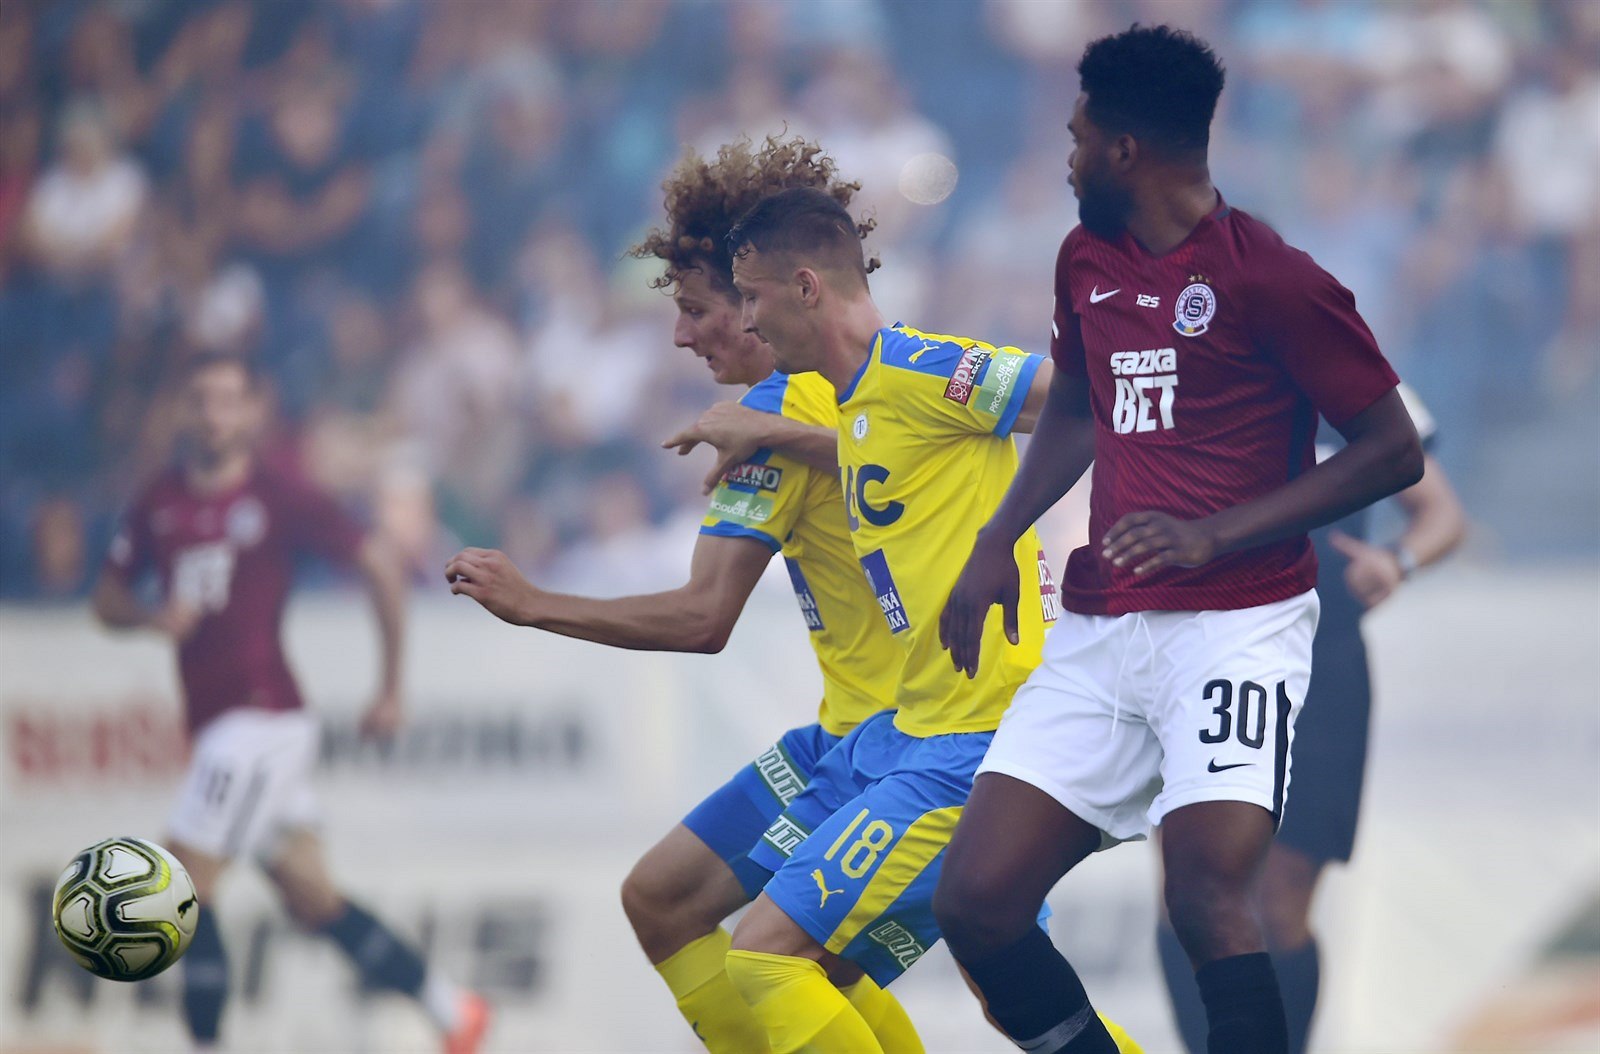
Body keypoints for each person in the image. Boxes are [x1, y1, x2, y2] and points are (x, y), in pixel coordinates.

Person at [930, 24, 1425, 1054]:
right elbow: (1077, 406)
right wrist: (996, 537)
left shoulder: (1273, 278)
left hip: (1239, 626)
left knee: (1206, 893)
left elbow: (1391, 452)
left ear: (1124, 150)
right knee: (975, 901)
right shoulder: (1084, 260)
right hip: (1102, 627)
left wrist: (1214, 535)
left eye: (1077, 139)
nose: (1067, 158)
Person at [442, 136, 925, 1054]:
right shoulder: (846, 390)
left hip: (910, 745)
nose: (680, 335)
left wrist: (535, 602)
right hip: (854, 733)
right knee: (666, 900)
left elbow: (704, 617)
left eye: (697, 308)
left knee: (806, 961)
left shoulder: (777, 415)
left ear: (758, 299)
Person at [716, 185, 1141, 1054]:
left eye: (751, 297)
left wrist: (1003, 537)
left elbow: (1084, 399)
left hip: (980, 739)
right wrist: (779, 436)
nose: (745, 320)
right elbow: (893, 447)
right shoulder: (853, 401)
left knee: (763, 956)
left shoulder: (918, 368)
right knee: (988, 984)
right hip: (918, 731)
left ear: (806, 287)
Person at [92, 353, 488, 1054]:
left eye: (228, 400)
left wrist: (390, 686)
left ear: (252, 410)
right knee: (311, 898)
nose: (214, 414)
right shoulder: (158, 499)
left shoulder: (279, 495)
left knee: (181, 884)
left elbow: (378, 563)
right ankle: (454, 1012)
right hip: (219, 725)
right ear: (183, 409)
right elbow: (106, 599)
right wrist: (152, 618)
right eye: (201, 399)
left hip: (262, 718)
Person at [1157, 385, 1466, 1054]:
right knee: (1189, 890)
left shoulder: (1358, 377)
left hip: (1321, 663)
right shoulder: (1191, 361)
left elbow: (1441, 513)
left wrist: (1396, 561)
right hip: (1197, 653)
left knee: (1281, 897)